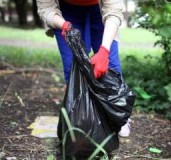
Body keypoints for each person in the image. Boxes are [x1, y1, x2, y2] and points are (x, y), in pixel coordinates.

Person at [36, 0, 131, 137]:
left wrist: (104, 50)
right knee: (72, 66)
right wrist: (64, 25)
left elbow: (113, 10)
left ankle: (119, 116)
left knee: (111, 65)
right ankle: (79, 116)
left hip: (99, 9)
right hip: (65, 13)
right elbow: (46, 9)